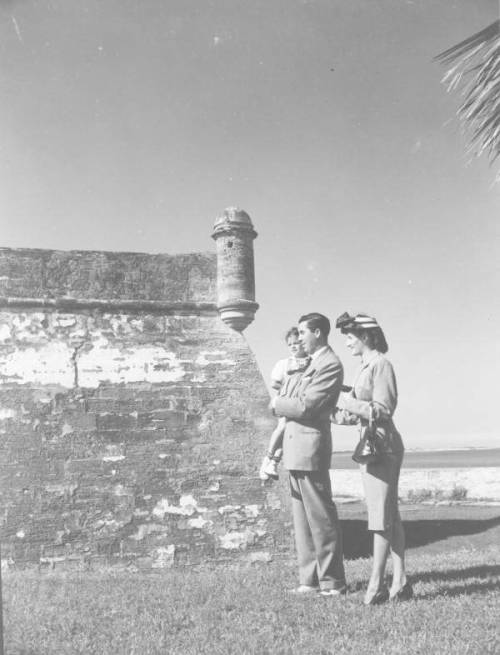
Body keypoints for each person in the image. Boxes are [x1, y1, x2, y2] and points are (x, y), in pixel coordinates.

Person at [334, 312, 412, 605]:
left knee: (380, 519)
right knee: (389, 515)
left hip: (383, 446)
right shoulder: (364, 367)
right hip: (373, 445)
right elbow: (353, 412)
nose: (347, 343)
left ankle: (377, 584)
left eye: (350, 337)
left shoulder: (381, 365)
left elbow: (383, 409)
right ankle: (400, 580)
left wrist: (345, 400)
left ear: (366, 337)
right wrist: (330, 406)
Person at [271, 312, 346, 596]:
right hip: (296, 448)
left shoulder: (330, 364)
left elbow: (307, 406)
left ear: (317, 332)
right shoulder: (313, 363)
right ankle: (310, 580)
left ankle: (333, 582)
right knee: (303, 522)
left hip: (310, 448)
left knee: (321, 518)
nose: (298, 338)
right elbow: (299, 399)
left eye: (303, 332)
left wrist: (278, 403)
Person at [259, 327, 310, 481]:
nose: (293, 347)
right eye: (290, 344)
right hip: (286, 399)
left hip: (299, 402)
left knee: (288, 432)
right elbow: (275, 382)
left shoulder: (311, 361)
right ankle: (267, 459)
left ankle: (274, 463)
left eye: (297, 343)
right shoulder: (285, 363)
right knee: (281, 427)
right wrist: (291, 385)